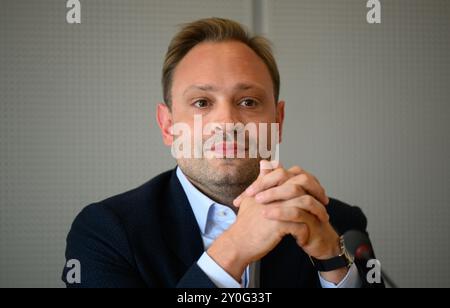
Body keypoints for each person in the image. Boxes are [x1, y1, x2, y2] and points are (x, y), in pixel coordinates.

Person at [62, 17, 384, 288]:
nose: (228, 122)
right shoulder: (106, 232)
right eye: (202, 103)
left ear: (278, 120)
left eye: (248, 102)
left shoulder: (340, 225)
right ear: (167, 126)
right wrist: (234, 249)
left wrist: (332, 261)